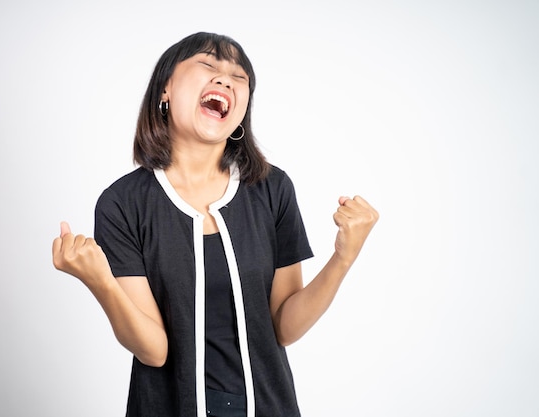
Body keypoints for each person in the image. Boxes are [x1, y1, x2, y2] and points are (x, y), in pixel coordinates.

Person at [52, 32, 378, 417]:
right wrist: (101, 282)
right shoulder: (122, 203)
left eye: (239, 77)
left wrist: (343, 257)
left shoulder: (273, 189)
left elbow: (284, 327)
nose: (225, 79)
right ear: (165, 90)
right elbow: (153, 350)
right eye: (207, 65)